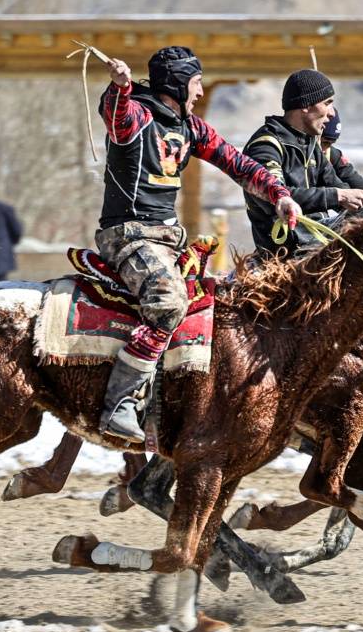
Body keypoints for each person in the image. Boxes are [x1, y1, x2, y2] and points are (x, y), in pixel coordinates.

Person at [94, 45, 298, 441]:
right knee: (169, 302)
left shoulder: (192, 127)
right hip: (129, 235)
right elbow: (117, 119)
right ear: (177, 83)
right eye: (196, 82)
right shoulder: (136, 115)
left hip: (169, 240)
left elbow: (237, 163)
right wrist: (119, 88)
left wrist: (279, 195)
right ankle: (120, 402)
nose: (201, 91)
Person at [243, 69, 363, 259]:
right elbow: (274, 195)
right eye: (327, 103)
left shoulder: (310, 145)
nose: (332, 113)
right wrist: (338, 196)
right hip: (285, 252)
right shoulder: (266, 145)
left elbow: (341, 187)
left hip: (317, 241)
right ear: (306, 106)